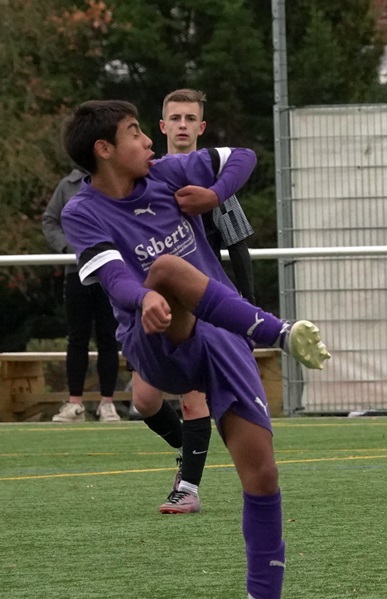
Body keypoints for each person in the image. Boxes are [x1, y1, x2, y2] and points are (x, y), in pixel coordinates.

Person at [59, 99, 331, 599]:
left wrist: (214, 194)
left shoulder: (168, 174)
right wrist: (143, 297)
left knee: (262, 474)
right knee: (164, 270)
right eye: (136, 132)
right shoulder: (82, 210)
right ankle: (279, 332)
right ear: (104, 149)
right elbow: (114, 277)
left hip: (222, 333)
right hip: (156, 339)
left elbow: (242, 155)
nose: (149, 142)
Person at [135, 88, 259, 514]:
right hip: (155, 302)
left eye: (191, 118)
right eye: (176, 118)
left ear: (201, 128)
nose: (183, 125)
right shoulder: (146, 180)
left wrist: (248, 310)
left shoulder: (214, 181)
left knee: (193, 397)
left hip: (203, 304)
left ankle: (188, 488)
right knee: (144, 400)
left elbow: (238, 246)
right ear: (162, 126)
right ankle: (187, 451)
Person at [43, 167, 122, 423]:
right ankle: (75, 403)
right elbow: (50, 221)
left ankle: (107, 403)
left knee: (109, 337)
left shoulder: (116, 180)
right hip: (76, 271)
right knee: (77, 337)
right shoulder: (67, 185)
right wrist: (67, 247)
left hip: (110, 269)